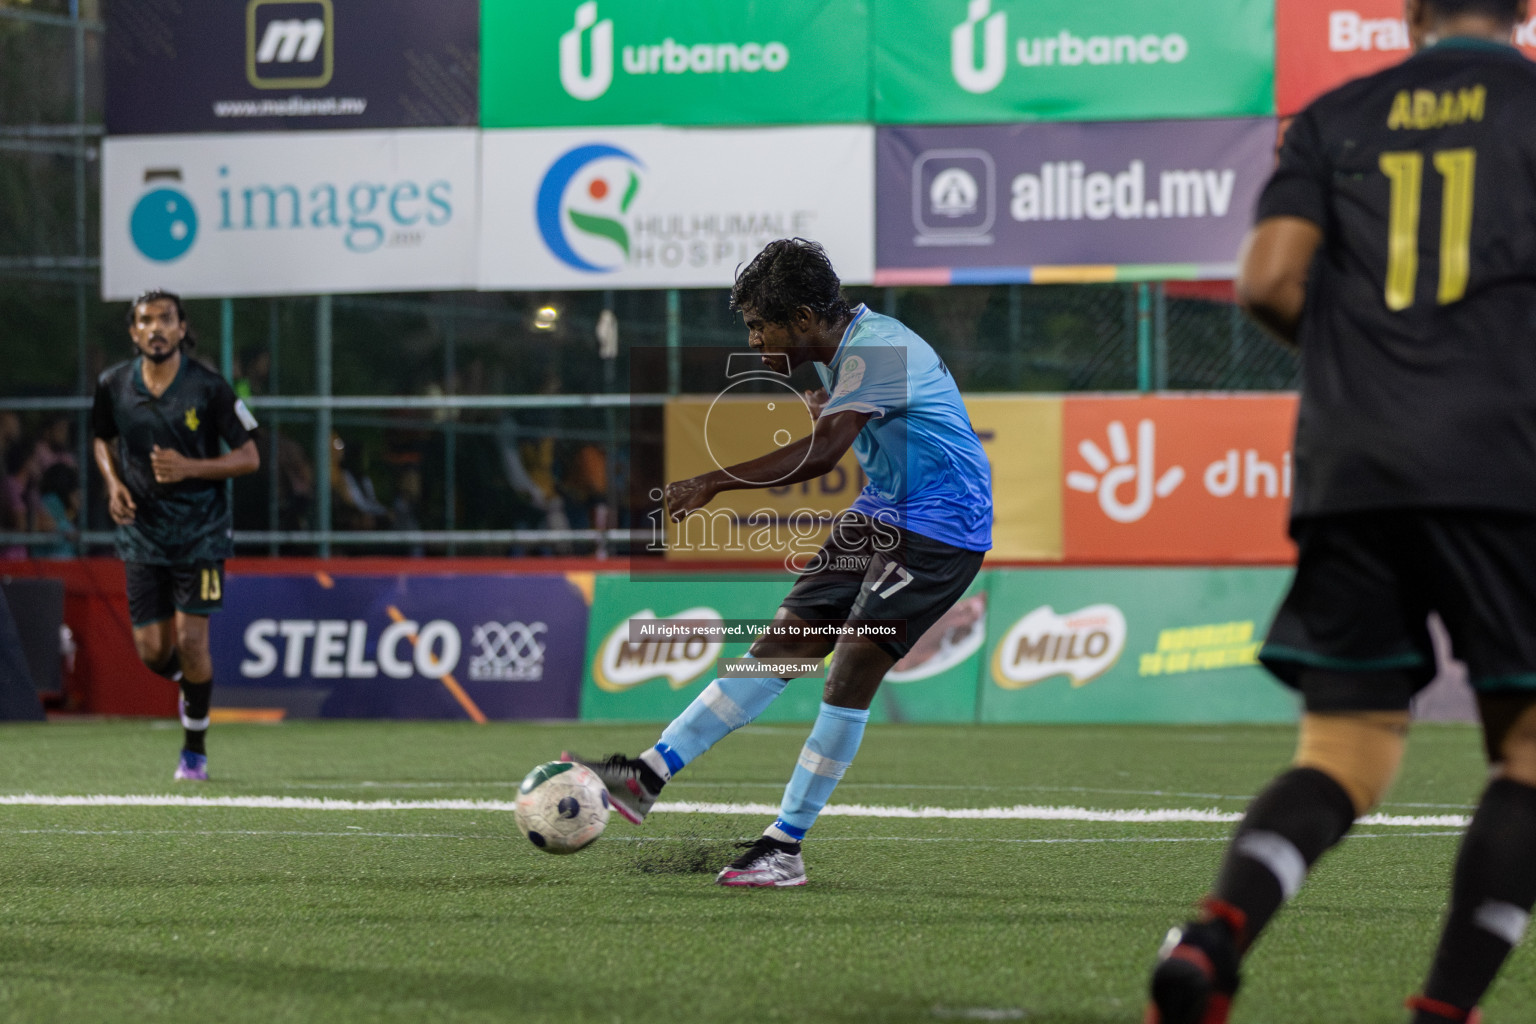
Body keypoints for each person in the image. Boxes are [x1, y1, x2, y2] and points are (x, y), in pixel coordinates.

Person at [1145, 3, 1536, 1022]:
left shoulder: (1337, 114)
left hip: (1353, 464)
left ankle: (1216, 934)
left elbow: (1269, 281)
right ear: (1527, 9)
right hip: (1506, 462)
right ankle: (1443, 1009)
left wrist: (1372, 362)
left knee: (1343, 753)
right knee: (1531, 755)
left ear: (1411, 13)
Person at [565, 238, 992, 886]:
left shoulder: (876, 347)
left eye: (759, 326)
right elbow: (854, 434)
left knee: (850, 665)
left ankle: (784, 846)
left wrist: (713, 480)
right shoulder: (841, 353)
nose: (756, 341)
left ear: (801, 319)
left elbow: (823, 453)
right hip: (882, 513)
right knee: (780, 648)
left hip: (943, 527)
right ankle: (646, 775)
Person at [92, 290, 260, 781]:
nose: (156, 327)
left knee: (191, 640)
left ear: (182, 328)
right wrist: (113, 483)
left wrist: (191, 466)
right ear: (133, 331)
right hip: (143, 534)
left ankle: (194, 749)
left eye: (166, 318)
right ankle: (195, 686)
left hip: (201, 532)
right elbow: (102, 436)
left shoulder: (209, 387)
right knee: (152, 652)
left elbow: (250, 455)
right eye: (146, 320)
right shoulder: (113, 384)